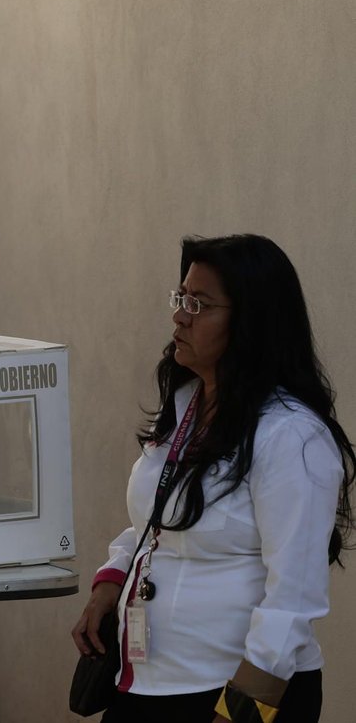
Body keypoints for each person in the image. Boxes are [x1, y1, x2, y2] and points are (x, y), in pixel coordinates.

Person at [70, 234, 354, 723]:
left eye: (199, 305)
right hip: (144, 685)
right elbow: (157, 521)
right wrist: (111, 583)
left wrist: (240, 711)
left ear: (250, 323)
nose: (180, 316)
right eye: (181, 298)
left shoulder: (292, 436)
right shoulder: (184, 406)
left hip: (230, 696)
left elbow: (294, 599)